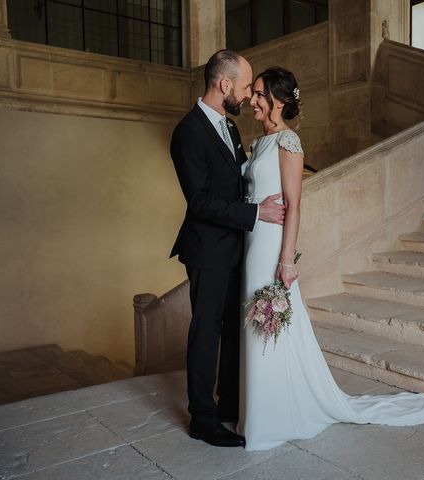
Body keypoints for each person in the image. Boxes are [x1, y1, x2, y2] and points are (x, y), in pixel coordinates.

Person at [237, 66, 424, 451]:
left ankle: (274, 417)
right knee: (254, 326)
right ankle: (258, 412)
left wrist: (286, 261)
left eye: (258, 94)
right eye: (252, 93)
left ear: (279, 102)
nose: (252, 99)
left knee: (269, 326)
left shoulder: (288, 142)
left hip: (270, 247)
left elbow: (295, 206)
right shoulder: (259, 142)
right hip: (251, 243)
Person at [169, 50, 285, 448]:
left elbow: (236, 182)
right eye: (242, 88)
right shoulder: (188, 132)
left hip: (238, 246)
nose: (246, 97)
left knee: (235, 328)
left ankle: (229, 408)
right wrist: (256, 213)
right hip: (207, 250)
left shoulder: (230, 129)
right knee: (206, 332)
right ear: (223, 85)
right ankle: (202, 419)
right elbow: (198, 201)